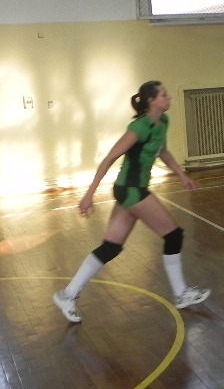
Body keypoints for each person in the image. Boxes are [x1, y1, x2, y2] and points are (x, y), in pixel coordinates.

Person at [52, 81, 210, 323]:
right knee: (173, 235)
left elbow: (162, 151)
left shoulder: (162, 122)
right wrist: (89, 195)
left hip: (133, 189)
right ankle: (181, 294)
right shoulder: (139, 127)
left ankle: (67, 295)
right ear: (151, 101)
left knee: (111, 247)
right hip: (130, 189)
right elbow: (109, 158)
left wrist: (181, 174)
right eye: (164, 94)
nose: (169, 98)